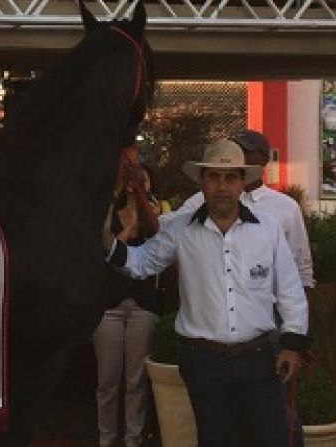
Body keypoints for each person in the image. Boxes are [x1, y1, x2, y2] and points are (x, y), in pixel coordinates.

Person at [105, 139, 309, 447]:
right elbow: (140, 263)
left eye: (230, 177)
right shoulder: (180, 229)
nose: (222, 186)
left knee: (271, 439)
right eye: (213, 176)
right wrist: (105, 242)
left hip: (259, 361)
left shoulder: (268, 228)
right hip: (204, 363)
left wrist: (292, 345)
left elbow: (290, 289)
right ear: (202, 182)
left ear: (242, 182)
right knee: (214, 440)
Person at [172, 129, 314, 290]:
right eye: (234, 147)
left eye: (245, 150)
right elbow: (170, 234)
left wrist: (295, 303)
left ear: (263, 159)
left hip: (269, 302)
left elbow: (301, 267)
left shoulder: (286, 207)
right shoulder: (201, 200)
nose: (237, 153)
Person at [92, 161, 166, 447]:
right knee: (107, 380)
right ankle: (106, 438)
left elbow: (158, 245)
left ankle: (133, 439)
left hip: (142, 304)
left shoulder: (158, 216)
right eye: (132, 180)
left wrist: (146, 213)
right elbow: (107, 248)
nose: (137, 185)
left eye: (143, 180)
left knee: (137, 381)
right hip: (109, 304)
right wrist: (128, 218)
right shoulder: (112, 213)